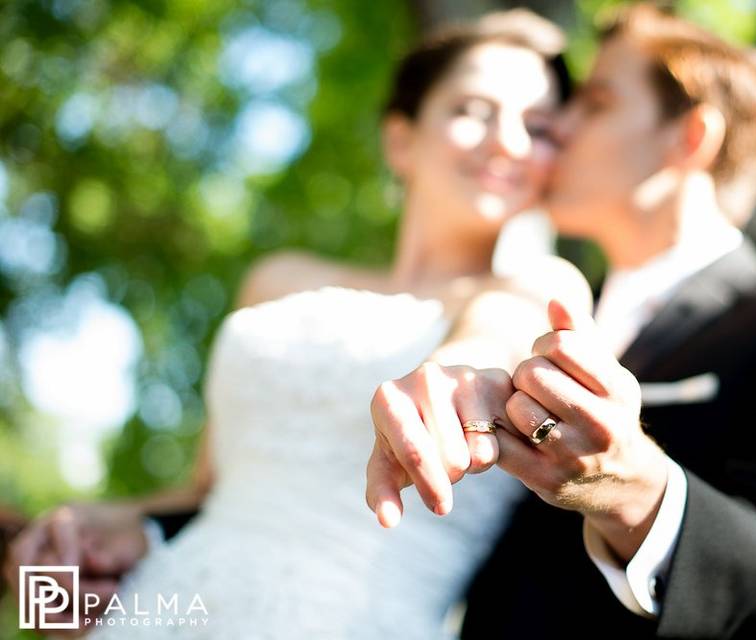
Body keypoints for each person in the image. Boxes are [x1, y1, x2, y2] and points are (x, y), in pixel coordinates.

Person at [4, 10, 591, 638]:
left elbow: (485, 342)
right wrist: (90, 530)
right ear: (401, 138)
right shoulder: (278, 279)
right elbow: (208, 489)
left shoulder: (537, 287)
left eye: (539, 126)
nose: (509, 141)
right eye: (475, 110)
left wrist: (454, 372)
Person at [367, 4, 756, 638]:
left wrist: (633, 488)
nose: (557, 127)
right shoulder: (546, 298)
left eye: (596, 102)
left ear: (691, 136)